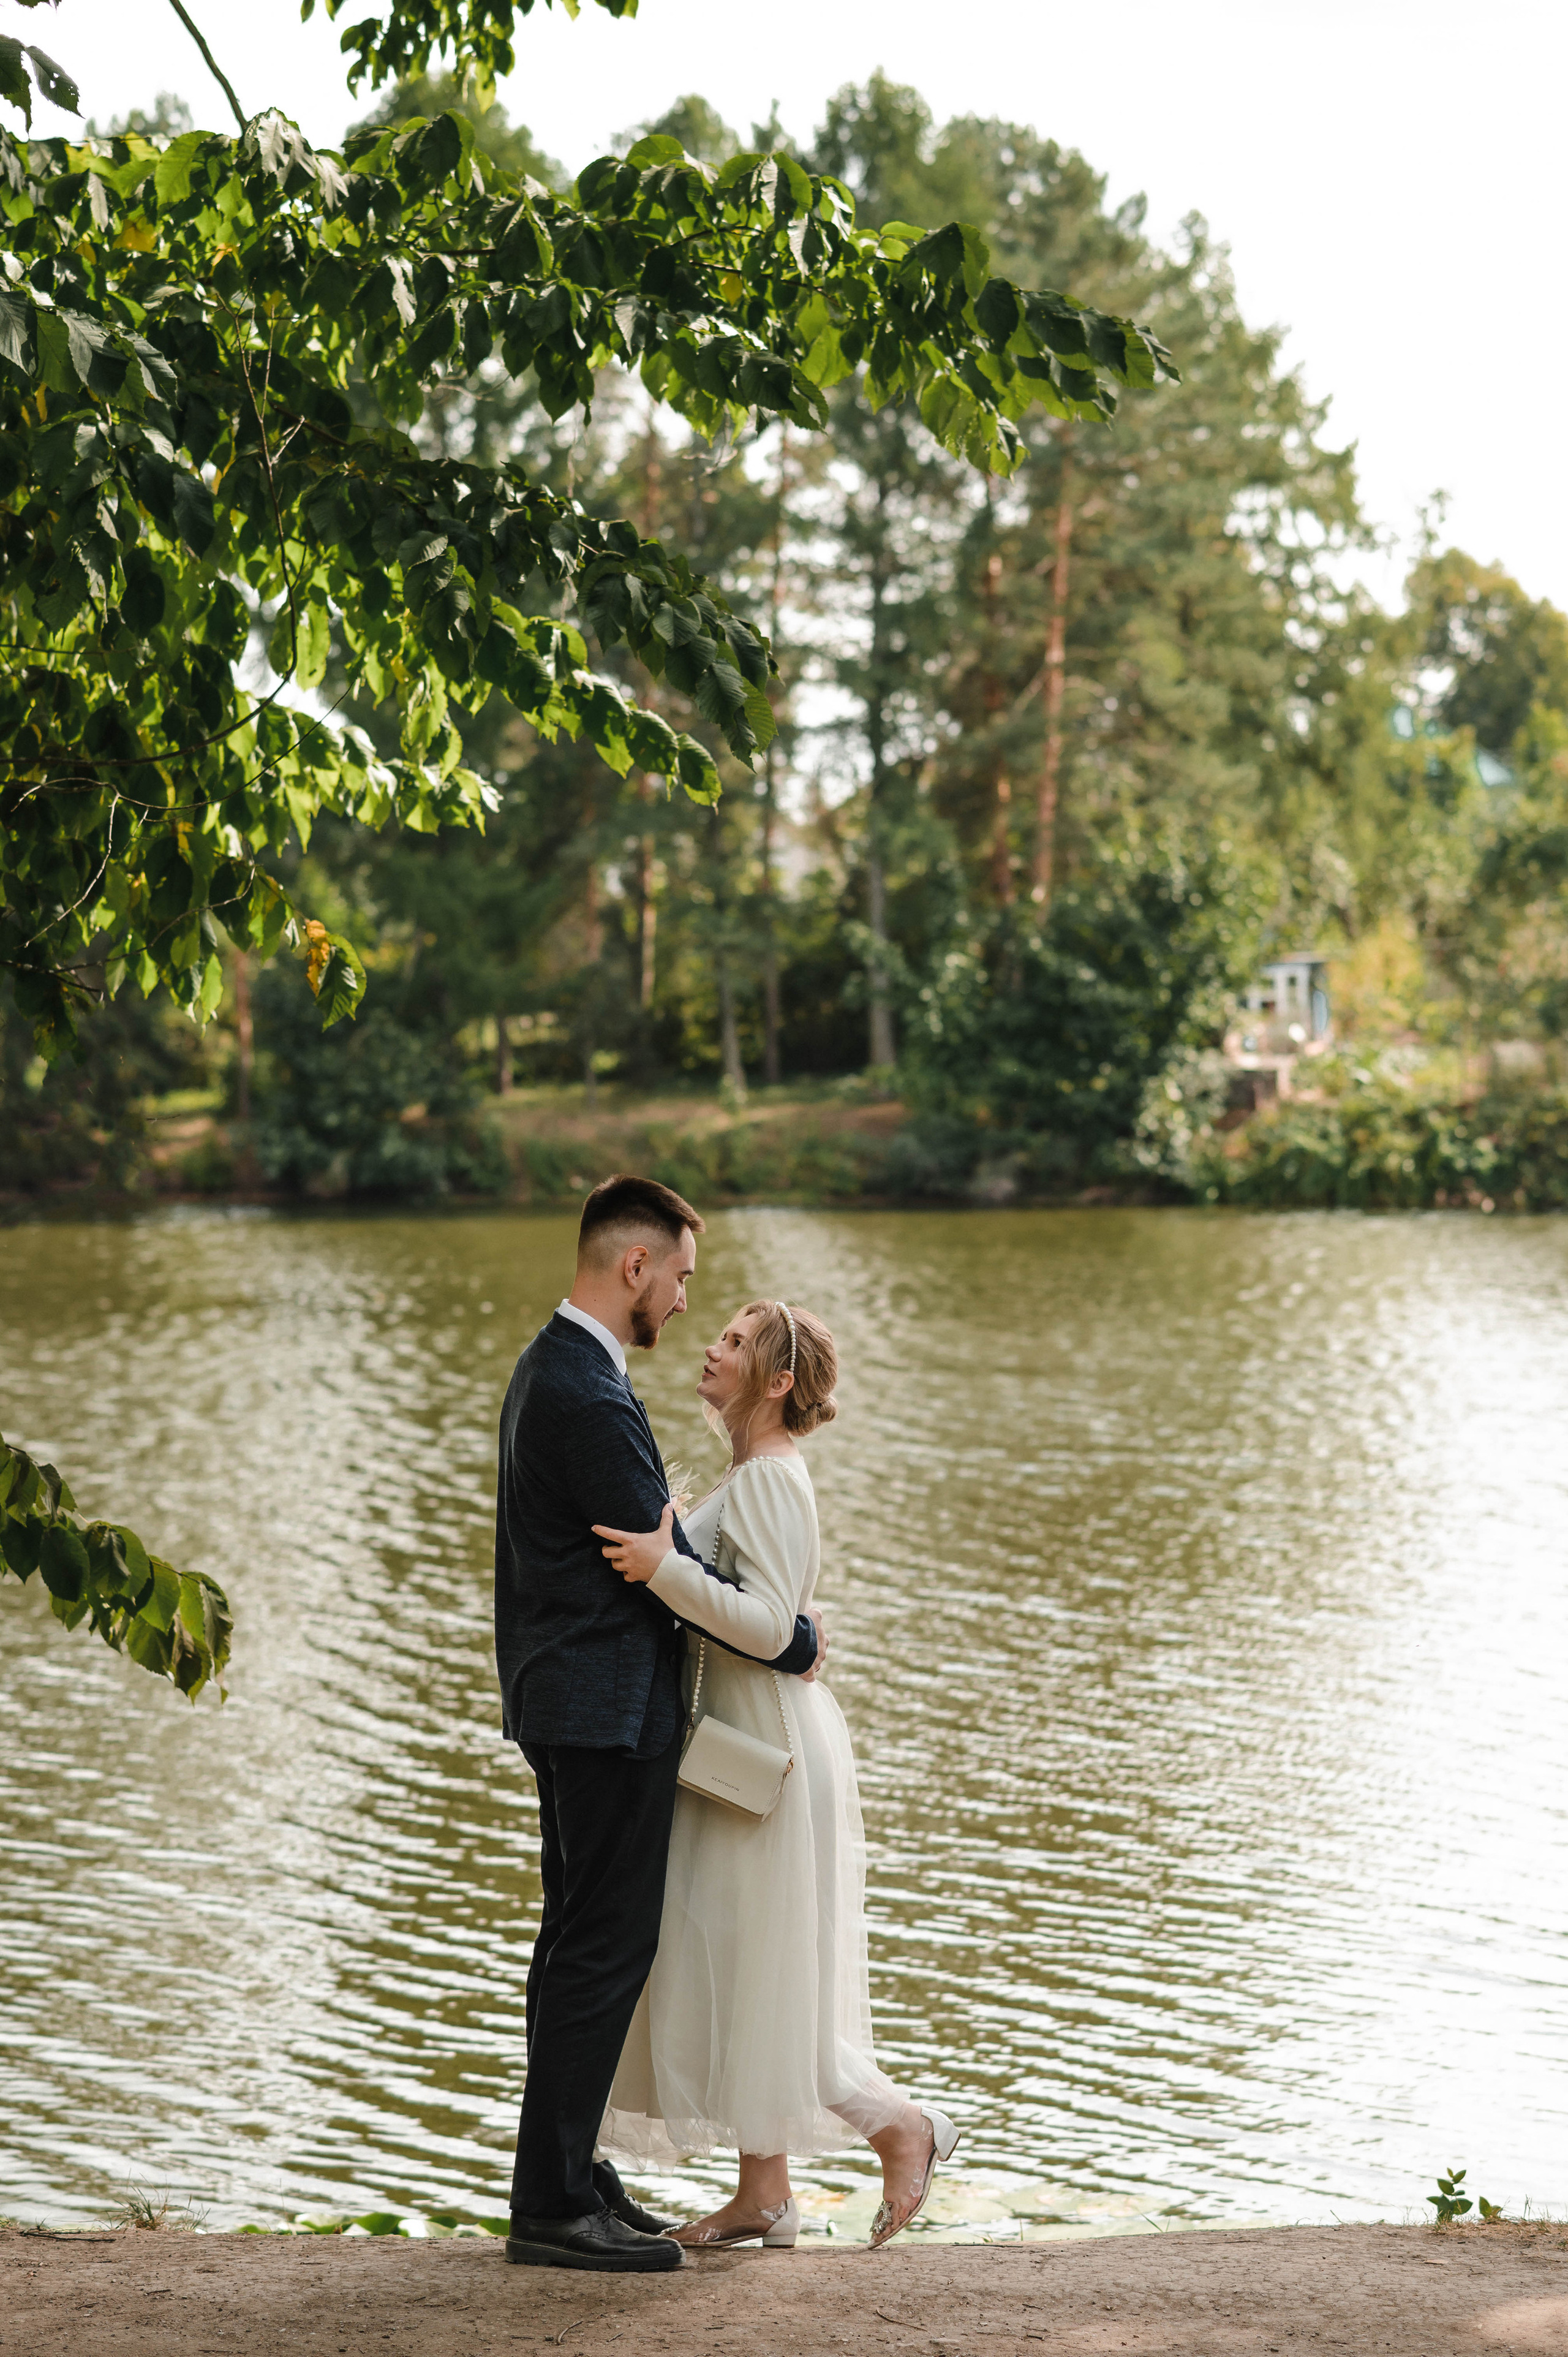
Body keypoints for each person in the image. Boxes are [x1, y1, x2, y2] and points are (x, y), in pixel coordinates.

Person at [495, 1177, 826, 2274]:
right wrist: (795, 1642)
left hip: (581, 1702)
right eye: (682, 1277)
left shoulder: (563, 1367)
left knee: (578, 1941)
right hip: (601, 1710)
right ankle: (552, 2203)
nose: (685, 1301)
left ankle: (571, 2175)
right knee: (603, 1947)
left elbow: (667, 1545)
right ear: (635, 1265)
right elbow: (662, 1561)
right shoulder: (586, 1388)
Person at [592, 1299, 960, 2251]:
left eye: (736, 1342)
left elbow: (764, 1628)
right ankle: (766, 2196)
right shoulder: (752, 1475)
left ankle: (902, 2127)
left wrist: (659, 1567)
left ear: (779, 1381)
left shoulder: (768, 1477)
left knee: (759, 1969)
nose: (712, 1347)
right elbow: (783, 1616)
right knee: (747, 1966)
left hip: (761, 1753)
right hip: (745, 1743)